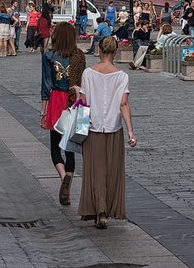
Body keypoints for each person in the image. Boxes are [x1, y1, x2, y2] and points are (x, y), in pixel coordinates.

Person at [76, 35, 136, 229]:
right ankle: (106, 209)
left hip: (92, 127)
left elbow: (83, 102)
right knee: (111, 171)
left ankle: (97, 209)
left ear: (100, 50)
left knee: (94, 170)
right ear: (116, 51)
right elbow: (123, 104)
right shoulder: (122, 76)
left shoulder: (88, 73)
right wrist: (131, 132)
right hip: (113, 128)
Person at [41, 22, 87, 205]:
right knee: (71, 148)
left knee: (55, 147)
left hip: (56, 101)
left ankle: (63, 178)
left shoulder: (49, 55)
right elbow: (83, 80)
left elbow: (45, 83)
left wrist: (43, 111)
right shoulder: (79, 56)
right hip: (74, 101)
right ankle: (69, 176)